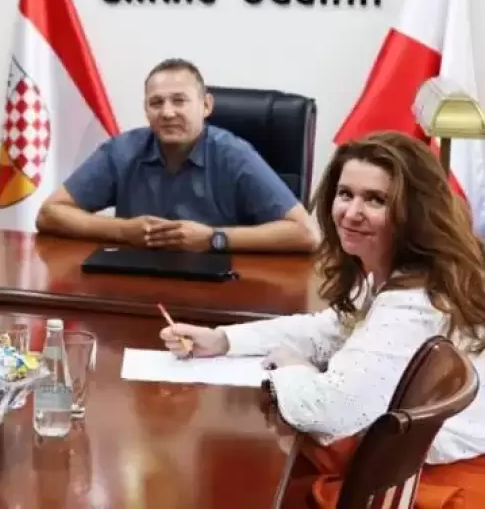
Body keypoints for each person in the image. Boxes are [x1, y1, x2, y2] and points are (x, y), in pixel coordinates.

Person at [160, 131, 485, 507]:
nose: (351, 212)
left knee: (251, 480)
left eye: (376, 200)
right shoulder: (392, 269)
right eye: (345, 194)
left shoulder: (413, 303)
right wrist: (223, 340)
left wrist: (291, 367)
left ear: (414, 212)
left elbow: (328, 411)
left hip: (437, 479)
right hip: (407, 460)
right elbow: (326, 328)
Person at [37, 58, 317, 253]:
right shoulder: (123, 151)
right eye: (156, 103)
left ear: (206, 106)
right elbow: (50, 214)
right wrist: (123, 231)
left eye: (179, 100)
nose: (167, 112)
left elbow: (306, 233)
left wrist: (213, 239)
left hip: (217, 287)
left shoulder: (234, 156)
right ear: (146, 110)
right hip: (136, 281)